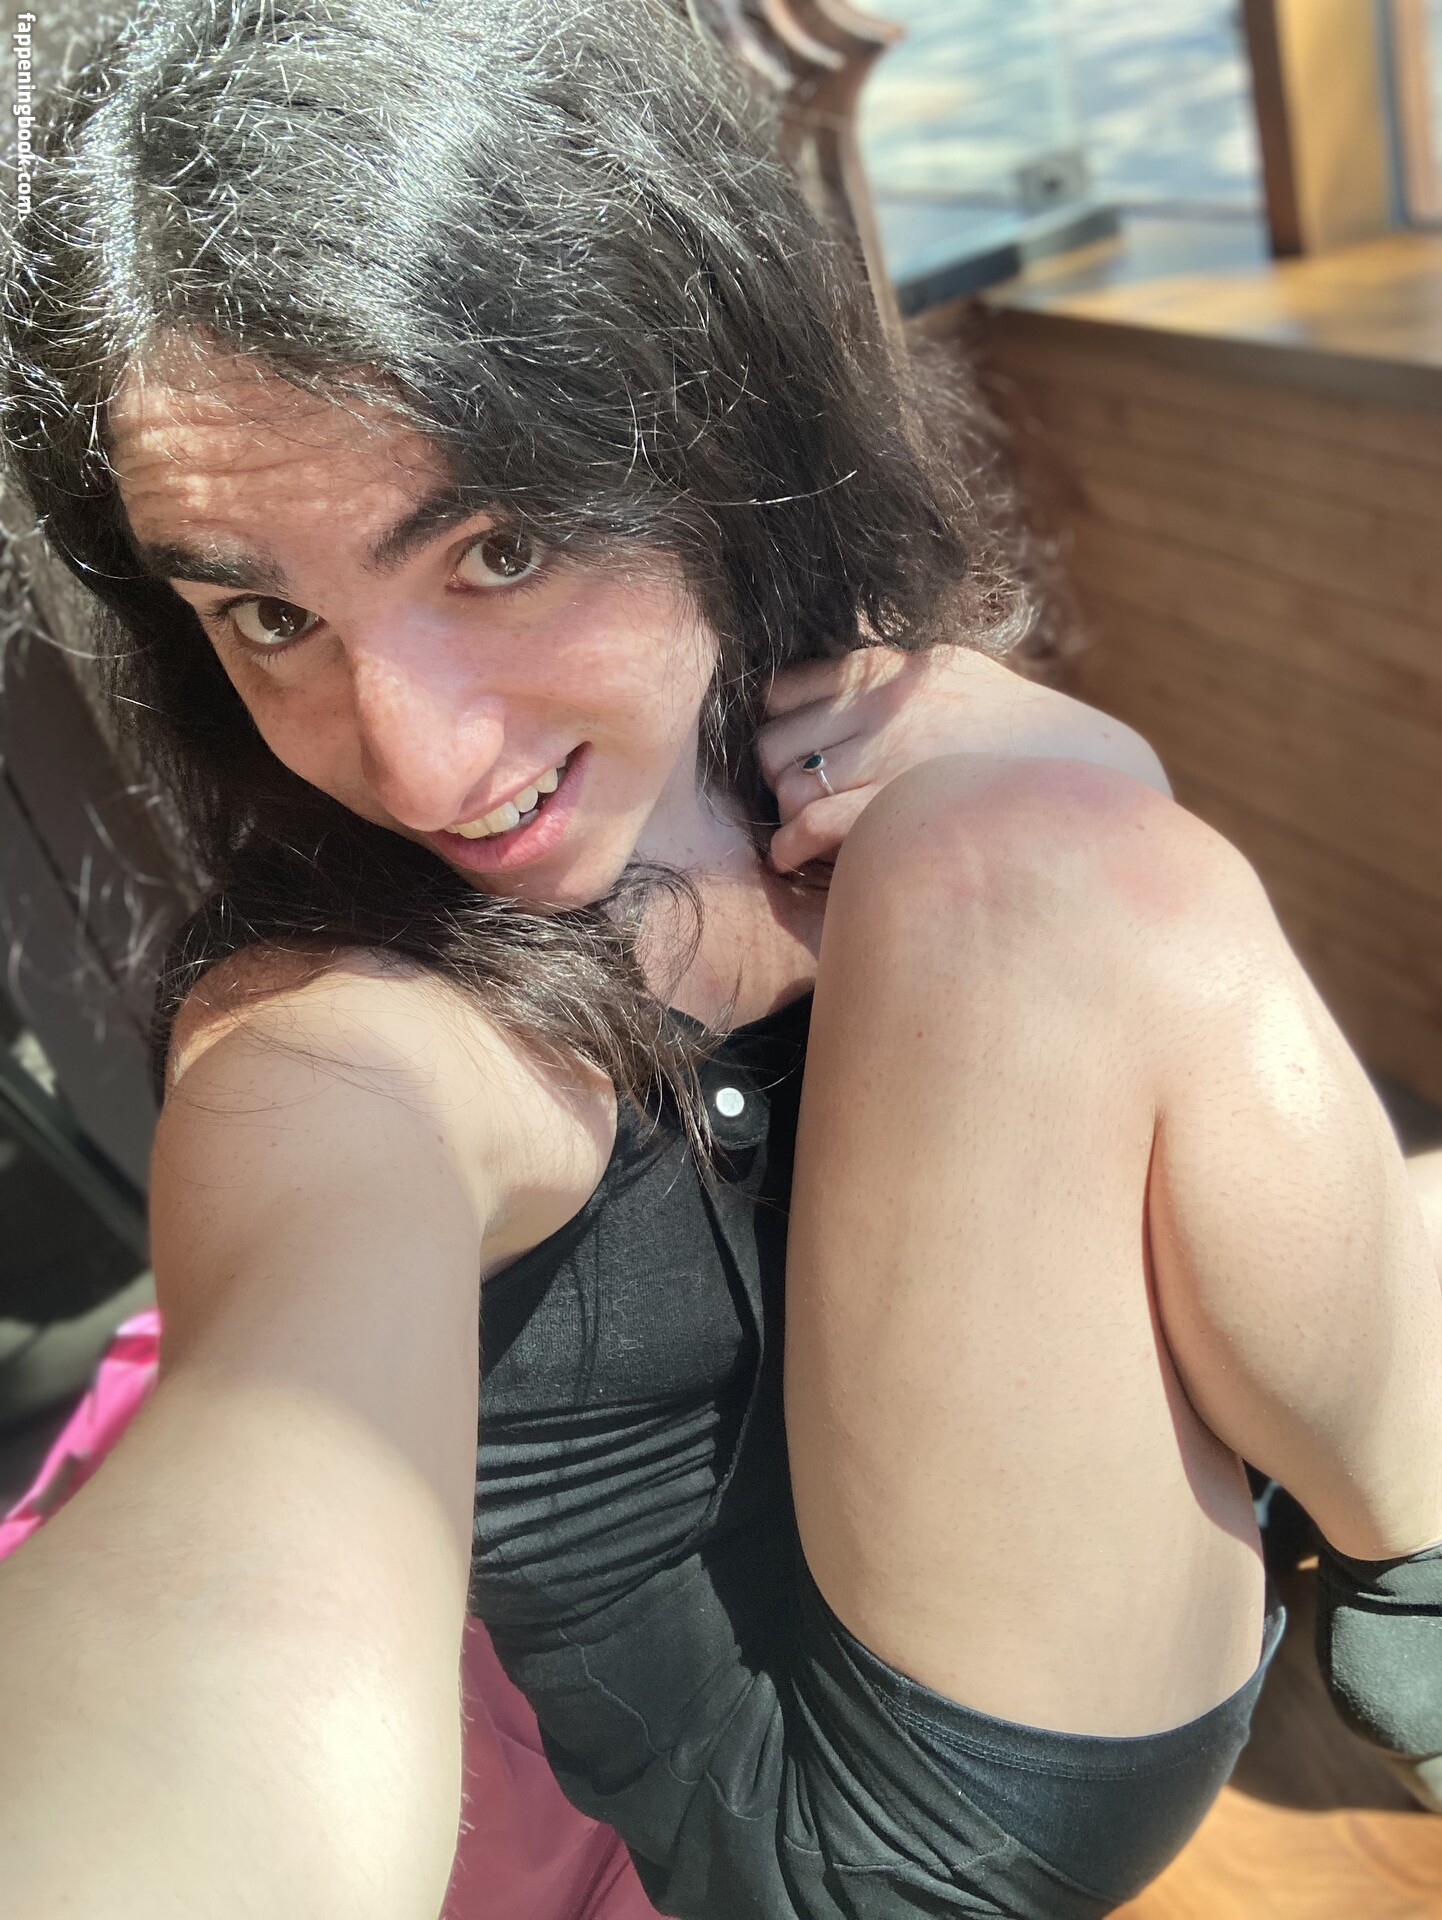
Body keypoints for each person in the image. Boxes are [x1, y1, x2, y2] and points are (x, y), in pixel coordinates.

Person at [2, 2, 1440, 1915]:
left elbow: (1143, 991)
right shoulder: (332, 1041)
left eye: (496, 549)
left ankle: (1405, 1576)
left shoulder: (852, 730)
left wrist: (1072, 761)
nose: (420, 763)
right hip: (869, 1814)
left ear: (704, 423)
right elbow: (258, 1515)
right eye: (268, 617)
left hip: (1122, 1524)